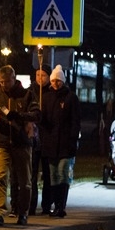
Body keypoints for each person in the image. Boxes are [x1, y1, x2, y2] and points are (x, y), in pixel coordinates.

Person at [0, 65, 40, 226]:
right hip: (3, 142)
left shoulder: (26, 95)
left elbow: (37, 114)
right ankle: (1, 211)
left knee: (25, 181)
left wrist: (18, 116)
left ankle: (23, 212)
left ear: (14, 78)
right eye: (1, 82)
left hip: (22, 142)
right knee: (1, 177)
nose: (4, 85)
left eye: (7, 81)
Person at [39, 64, 81, 218]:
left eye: (58, 81)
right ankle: (55, 205)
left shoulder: (70, 97)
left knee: (62, 174)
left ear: (62, 81)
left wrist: (72, 140)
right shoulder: (47, 97)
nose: (55, 84)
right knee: (53, 175)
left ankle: (60, 206)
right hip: (50, 144)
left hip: (65, 144)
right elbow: (43, 120)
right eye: (53, 81)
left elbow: (75, 121)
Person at [28, 63, 52, 215]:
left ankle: (46, 204)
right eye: (38, 75)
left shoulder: (51, 92)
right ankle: (31, 205)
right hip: (34, 138)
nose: (40, 78)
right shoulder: (30, 92)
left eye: (43, 75)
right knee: (32, 173)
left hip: (47, 138)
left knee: (48, 174)